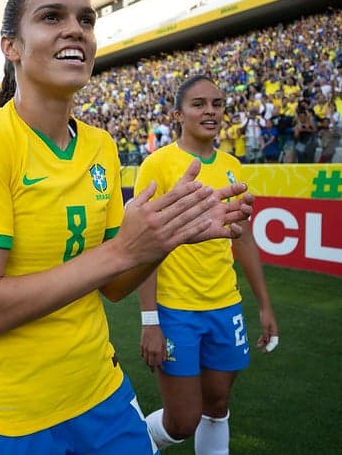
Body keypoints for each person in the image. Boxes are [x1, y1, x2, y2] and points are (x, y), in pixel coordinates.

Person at [0, 0, 253, 455]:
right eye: (51, 16)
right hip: (8, 413)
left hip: (99, 391)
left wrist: (164, 238)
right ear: (11, 47)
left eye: (86, 19)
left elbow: (115, 284)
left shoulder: (101, 146)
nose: (75, 29)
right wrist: (123, 249)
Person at [135, 75, 279, 454]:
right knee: (182, 420)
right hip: (176, 310)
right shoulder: (158, 164)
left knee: (217, 407)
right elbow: (142, 247)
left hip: (225, 306)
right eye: (199, 104)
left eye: (217, 104)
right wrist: (150, 320)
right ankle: (132, 437)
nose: (210, 111)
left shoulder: (232, 165)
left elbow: (243, 237)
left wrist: (264, 305)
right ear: (178, 114)